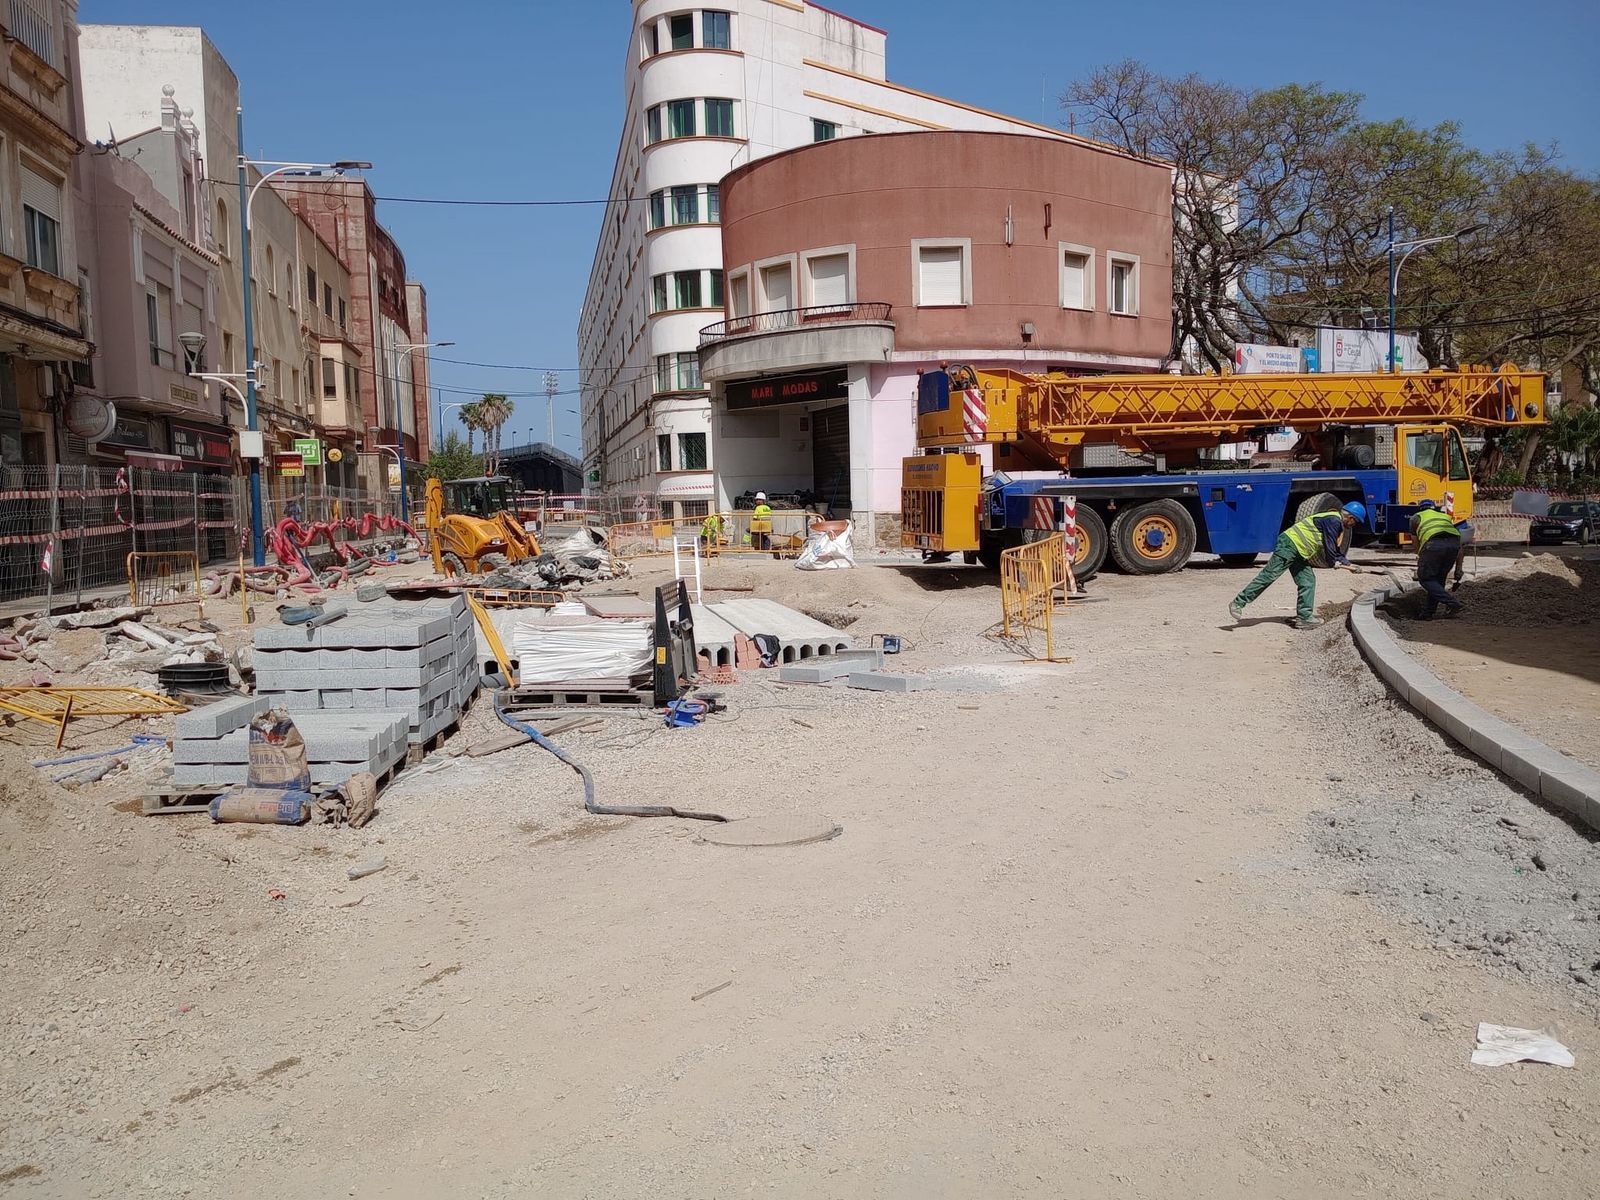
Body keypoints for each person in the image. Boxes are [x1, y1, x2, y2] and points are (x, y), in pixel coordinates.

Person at [1228, 501, 1366, 629]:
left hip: (1299, 552)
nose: (1353, 525)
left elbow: (1334, 550)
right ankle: (1238, 603)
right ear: (1350, 517)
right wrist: (1334, 563)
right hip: (1290, 546)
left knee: (1307, 581)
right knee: (1268, 576)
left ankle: (1304, 618)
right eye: (1355, 522)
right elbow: (1330, 548)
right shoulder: (1334, 521)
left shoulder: (1334, 519)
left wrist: (1349, 564)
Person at [1408, 500, 1466, 620]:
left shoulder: (1416, 518)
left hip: (1433, 544)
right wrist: (1458, 569)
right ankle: (1428, 613)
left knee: (1425, 578)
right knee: (1438, 580)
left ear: (1420, 509)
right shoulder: (1445, 517)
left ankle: (1452, 603)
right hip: (1453, 545)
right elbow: (1460, 548)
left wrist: (1421, 557)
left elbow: (1415, 543)